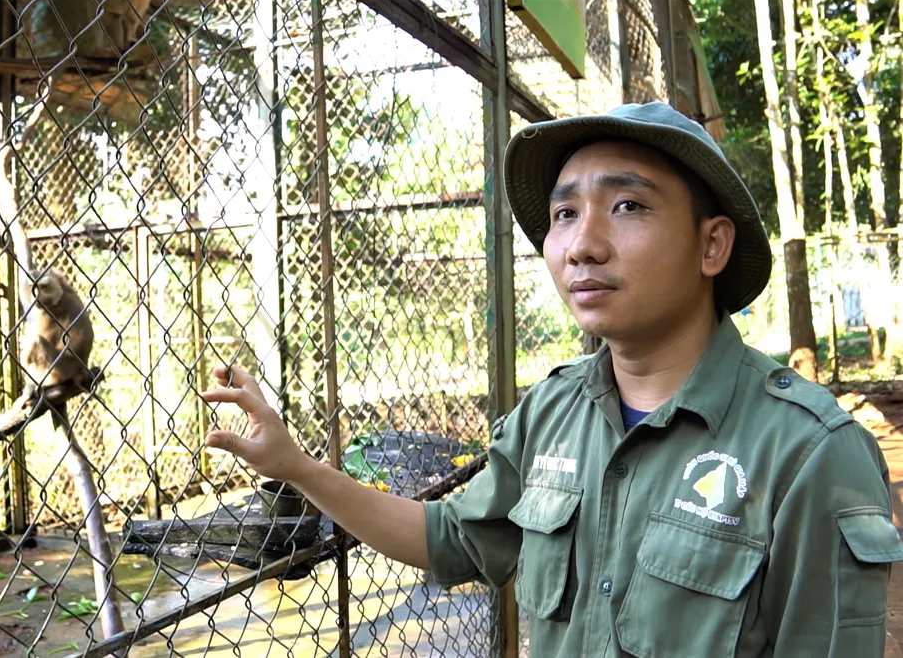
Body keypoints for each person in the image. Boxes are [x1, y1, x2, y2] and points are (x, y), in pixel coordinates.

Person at [200, 102, 903, 656]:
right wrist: (295, 465)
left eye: (628, 206)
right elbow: (449, 539)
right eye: (565, 214)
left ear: (712, 244)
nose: (581, 244)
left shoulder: (811, 454)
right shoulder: (553, 413)